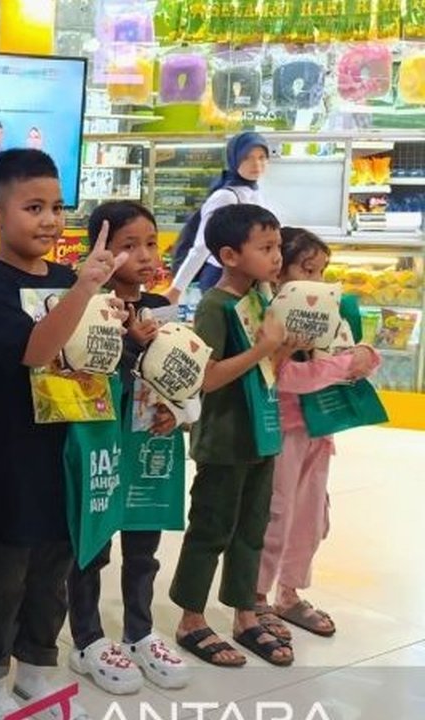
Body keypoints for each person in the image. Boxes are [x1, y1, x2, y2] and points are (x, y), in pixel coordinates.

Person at [0, 149, 125, 720]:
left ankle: (36, 667)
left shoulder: (64, 277)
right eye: (34, 207)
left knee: (56, 567)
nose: (51, 219)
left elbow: (91, 352)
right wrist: (84, 292)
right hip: (9, 458)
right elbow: (35, 351)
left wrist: (122, 324)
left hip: (67, 451)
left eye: (57, 207)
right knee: (8, 576)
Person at [65, 201, 190, 694]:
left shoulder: (161, 306)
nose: (144, 256)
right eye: (128, 246)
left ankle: (139, 631)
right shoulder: (86, 306)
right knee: (92, 546)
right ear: (101, 251)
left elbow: (184, 375)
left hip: (147, 449)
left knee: (144, 547)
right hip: (99, 444)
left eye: (151, 243)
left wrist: (175, 411)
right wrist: (130, 345)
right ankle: (87, 639)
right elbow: (78, 375)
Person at [169, 203, 294, 668]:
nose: (276, 256)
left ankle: (245, 614)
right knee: (212, 527)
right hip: (223, 438)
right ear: (229, 255)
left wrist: (283, 351)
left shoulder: (262, 300)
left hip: (261, 433)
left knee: (252, 528)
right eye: (265, 248)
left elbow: (266, 373)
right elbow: (206, 377)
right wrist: (264, 346)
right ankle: (192, 619)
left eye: (278, 246)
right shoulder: (215, 306)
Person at [254, 227, 380, 639]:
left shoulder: (333, 314)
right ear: (279, 272)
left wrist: (362, 356)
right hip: (283, 432)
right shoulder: (268, 315)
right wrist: (346, 366)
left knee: (310, 518)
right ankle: (255, 597)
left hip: (321, 432)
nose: (318, 282)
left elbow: (359, 355)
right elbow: (285, 375)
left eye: (323, 271)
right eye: (308, 270)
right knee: (276, 515)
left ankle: (288, 593)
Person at [168, 132, 271, 300]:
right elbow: (202, 246)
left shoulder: (255, 192)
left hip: (246, 276)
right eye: (247, 158)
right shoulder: (225, 196)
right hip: (221, 278)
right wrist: (177, 289)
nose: (256, 164)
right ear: (234, 159)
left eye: (261, 157)